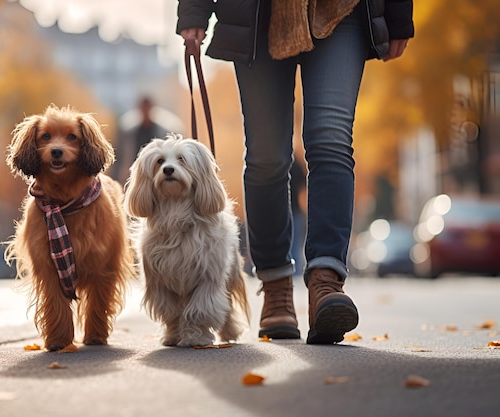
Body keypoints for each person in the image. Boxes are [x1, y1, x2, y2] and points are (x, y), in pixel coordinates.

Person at [177, 0, 414, 344]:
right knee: (267, 156)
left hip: (341, 10)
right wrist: (193, 11)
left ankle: (326, 281)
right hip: (258, 14)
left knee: (331, 139)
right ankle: (275, 287)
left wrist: (397, 14)